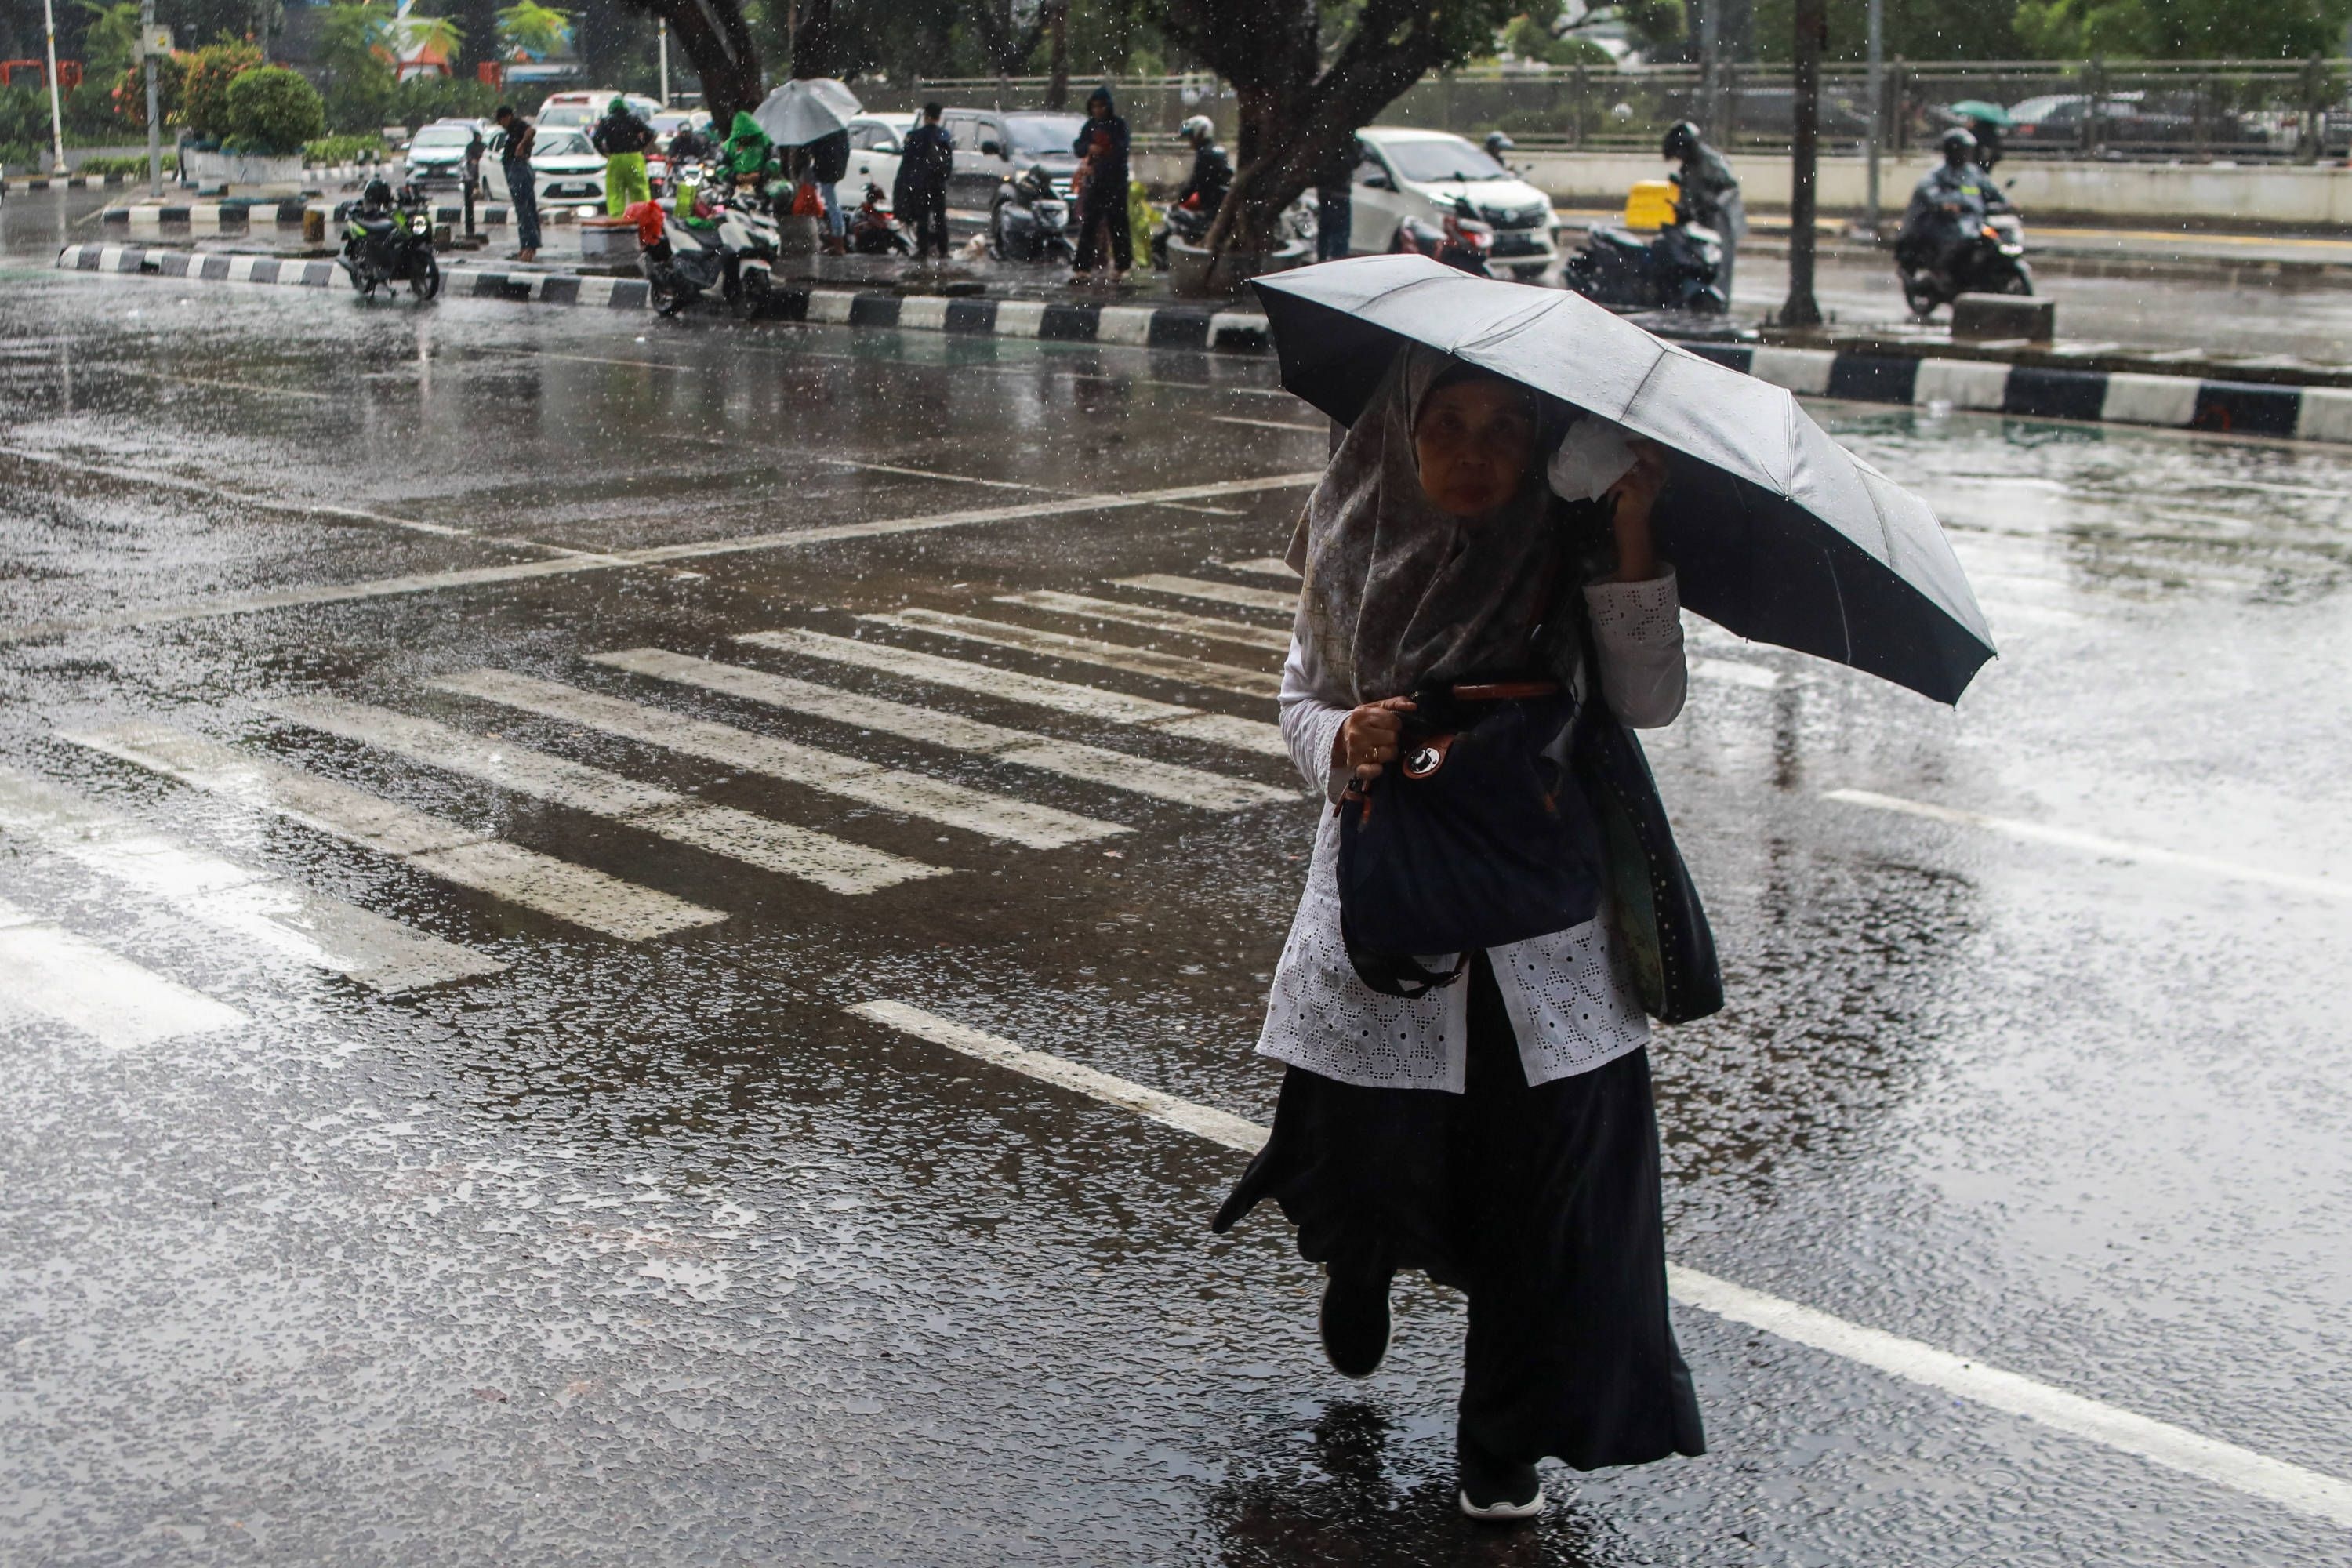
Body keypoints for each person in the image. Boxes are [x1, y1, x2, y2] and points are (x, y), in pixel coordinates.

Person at [1213, 347, 1706, 1522]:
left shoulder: (1567, 541)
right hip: (1392, 913)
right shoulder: (1352, 541)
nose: (1476, 451)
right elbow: (1296, 703)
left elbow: (1648, 703)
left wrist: (1632, 536)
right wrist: (1347, 739)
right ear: (1400, 435)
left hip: (1546, 927)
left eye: (1504, 426)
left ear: (1541, 444)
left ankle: (1504, 1445)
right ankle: (1360, 1258)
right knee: (1371, 1144)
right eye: (1447, 424)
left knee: (1553, 1184)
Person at [1896, 127, 2001, 278]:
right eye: (1962, 150)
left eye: (1967, 150)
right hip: (1945, 222)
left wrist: (2007, 202)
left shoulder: (1972, 172)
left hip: (1972, 219)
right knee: (1953, 243)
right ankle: (1942, 274)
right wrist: (1944, 204)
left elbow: (1989, 189)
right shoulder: (1938, 174)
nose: (1966, 154)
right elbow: (1929, 191)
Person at [1660, 119, 1744, 300]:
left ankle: (1718, 305)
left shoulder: (1711, 162)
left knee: (1719, 266)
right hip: (1703, 222)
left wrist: (1714, 203)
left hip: (1722, 221)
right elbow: (1689, 196)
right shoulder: (1688, 168)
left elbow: (1731, 188)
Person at [1069, 85, 1131, 284]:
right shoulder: (1090, 126)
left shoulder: (1118, 126)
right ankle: (1082, 267)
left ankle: (1122, 266)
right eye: (1094, 107)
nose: (1098, 111)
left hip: (1115, 183)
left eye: (1101, 107)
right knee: (1090, 225)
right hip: (1095, 184)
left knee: (1118, 224)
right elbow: (1079, 146)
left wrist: (1103, 158)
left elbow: (1121, 152)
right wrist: (1089, 148)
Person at [895, 101, 953, 261]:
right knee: (940, 217)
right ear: (939, 117)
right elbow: (948, 162)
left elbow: (907, 160)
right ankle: (944, 250)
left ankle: (923, 250)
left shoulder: (915, 136)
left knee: (922, 218)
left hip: (921, 183)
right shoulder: (944, 136)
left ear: (926, 116)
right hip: (938, 183)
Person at [592, 96, 655, 218]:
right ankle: (642, 216)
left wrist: (604, 153)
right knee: (639, 189)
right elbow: (650, 133)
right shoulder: (633, 120)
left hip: (615, 158)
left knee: (615, 190)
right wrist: (641, 146)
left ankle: (617, 217)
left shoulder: (606, 121)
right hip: (634, 158)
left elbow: (596, 139)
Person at [492, 103, 539, 262]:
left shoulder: (518, 125)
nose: (501, 124)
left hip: (519, 169)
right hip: (512, 169)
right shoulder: (509, 131)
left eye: (501, 121)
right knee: (521, 211)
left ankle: (530, 247)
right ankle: (524, 245)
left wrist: (521, 145)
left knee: (525, 209)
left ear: (507, 117)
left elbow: (531, 131)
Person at [1173, 114, 1231, 222]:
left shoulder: (1205, 154)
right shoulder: (1218, 151)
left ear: (1199, 134)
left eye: (1191, 137)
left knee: (1177, 218)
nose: (1190, 141)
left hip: (1212, 209)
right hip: (1222, 203)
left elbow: (1194, 183)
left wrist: (1180, 200)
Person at [808, 122, 851, 252]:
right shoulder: (839, 129)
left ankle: (838, 240)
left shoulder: (824, 131)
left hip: (826, 170)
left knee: (832, 204)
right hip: (835, 170)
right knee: (831, 203)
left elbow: (818, 150)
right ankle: (835, 238)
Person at [1315, 134, 1358, 263]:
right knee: (1338, 236)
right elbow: (1354, 159)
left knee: (1326, 233)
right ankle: (1335, 263)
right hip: (1338, 193)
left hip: (1327, 192)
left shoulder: (1326, 137)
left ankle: (1324, 261)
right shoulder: (1343, 138)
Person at [721, 111, 773, 193]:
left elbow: (774, 162)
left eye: (747, 136)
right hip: (735, 187)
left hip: (763, 184)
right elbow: (721, 167)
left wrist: (761, 175)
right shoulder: (729, 146)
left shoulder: (765, 141)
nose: (744, 139)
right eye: (741, 137)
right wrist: (735, 176)